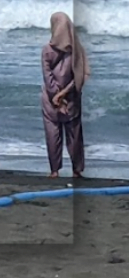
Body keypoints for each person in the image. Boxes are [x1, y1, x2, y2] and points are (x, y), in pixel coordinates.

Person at [41, 11, 90, 178]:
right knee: (74, 134)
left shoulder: (47, 50)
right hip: (71, 98)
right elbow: (79, 76)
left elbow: (47, 76)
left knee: (52, 135)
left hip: (50, 99)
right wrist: (64, 93)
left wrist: (57, 95)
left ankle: (54, 170)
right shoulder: (77, 50)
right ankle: (77, 170)